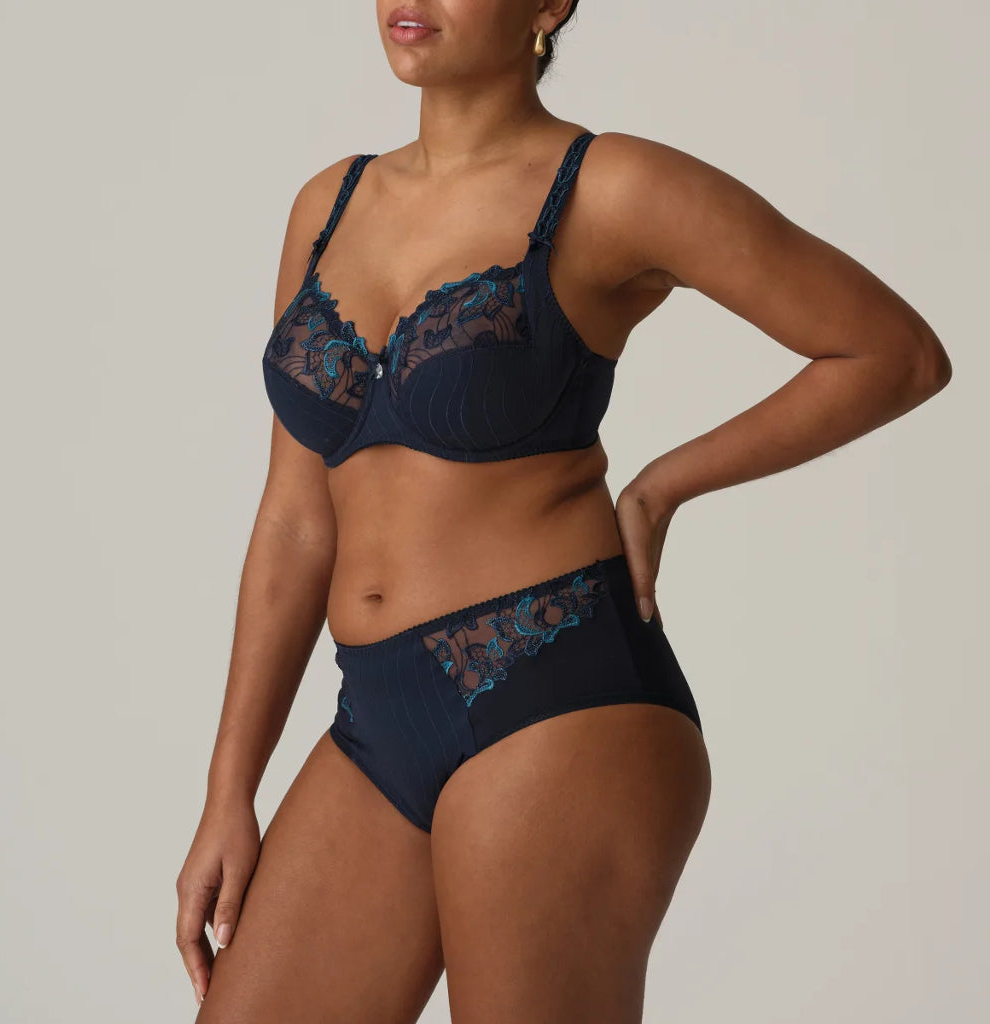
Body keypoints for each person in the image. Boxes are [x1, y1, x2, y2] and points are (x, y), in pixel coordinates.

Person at [176, 2, 952, 1019]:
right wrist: (228, 789)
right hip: (375, 715)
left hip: (555, 687)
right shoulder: (328, 203)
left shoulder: (608, 187)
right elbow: (294, 520)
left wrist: (663, 484)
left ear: (547, 4)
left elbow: (893, 353)